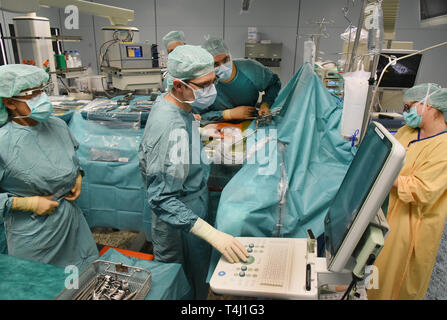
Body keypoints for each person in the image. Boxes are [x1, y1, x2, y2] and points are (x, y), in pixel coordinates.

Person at [138, 45, 249, 299]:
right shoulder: (168, 126)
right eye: (204, 85)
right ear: (178, 84)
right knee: (180, 286)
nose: (212, 90)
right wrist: (212, 234)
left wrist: (194, 134)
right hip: (178, 220)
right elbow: (161, 198)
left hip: (191, 204)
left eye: (213, 81)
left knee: (197, 278)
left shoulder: (178, 105)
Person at [0, 64, 99, 270]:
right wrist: (26, 204)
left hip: (71, 223)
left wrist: (77, 177)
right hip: (33, 233)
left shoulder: (57, 125)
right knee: (43, 287)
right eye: (32, 94)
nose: (42, 98)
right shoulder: (3, 142)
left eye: (42, 90)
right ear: (9, 102)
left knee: (85, 280)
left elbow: (71, 159)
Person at [367, 83, 447, 300]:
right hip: (388, 209)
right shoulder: (408, 131)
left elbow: (422, 190)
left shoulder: (444, 148)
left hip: (412, 224)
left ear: (429, 106)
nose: (405, 112)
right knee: (374, 266)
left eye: (409, 106)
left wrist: (382, 171)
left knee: (394, 278)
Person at [197, 37, 281, 122]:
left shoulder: (250, 68)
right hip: (218, 129)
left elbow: (274, 83)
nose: (223, 66)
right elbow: (197, 116)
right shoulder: (203, 82)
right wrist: (228, 114)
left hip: (249, 124)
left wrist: (266, 104)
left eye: (225, 60)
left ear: (230, 54)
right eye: (216, 64)